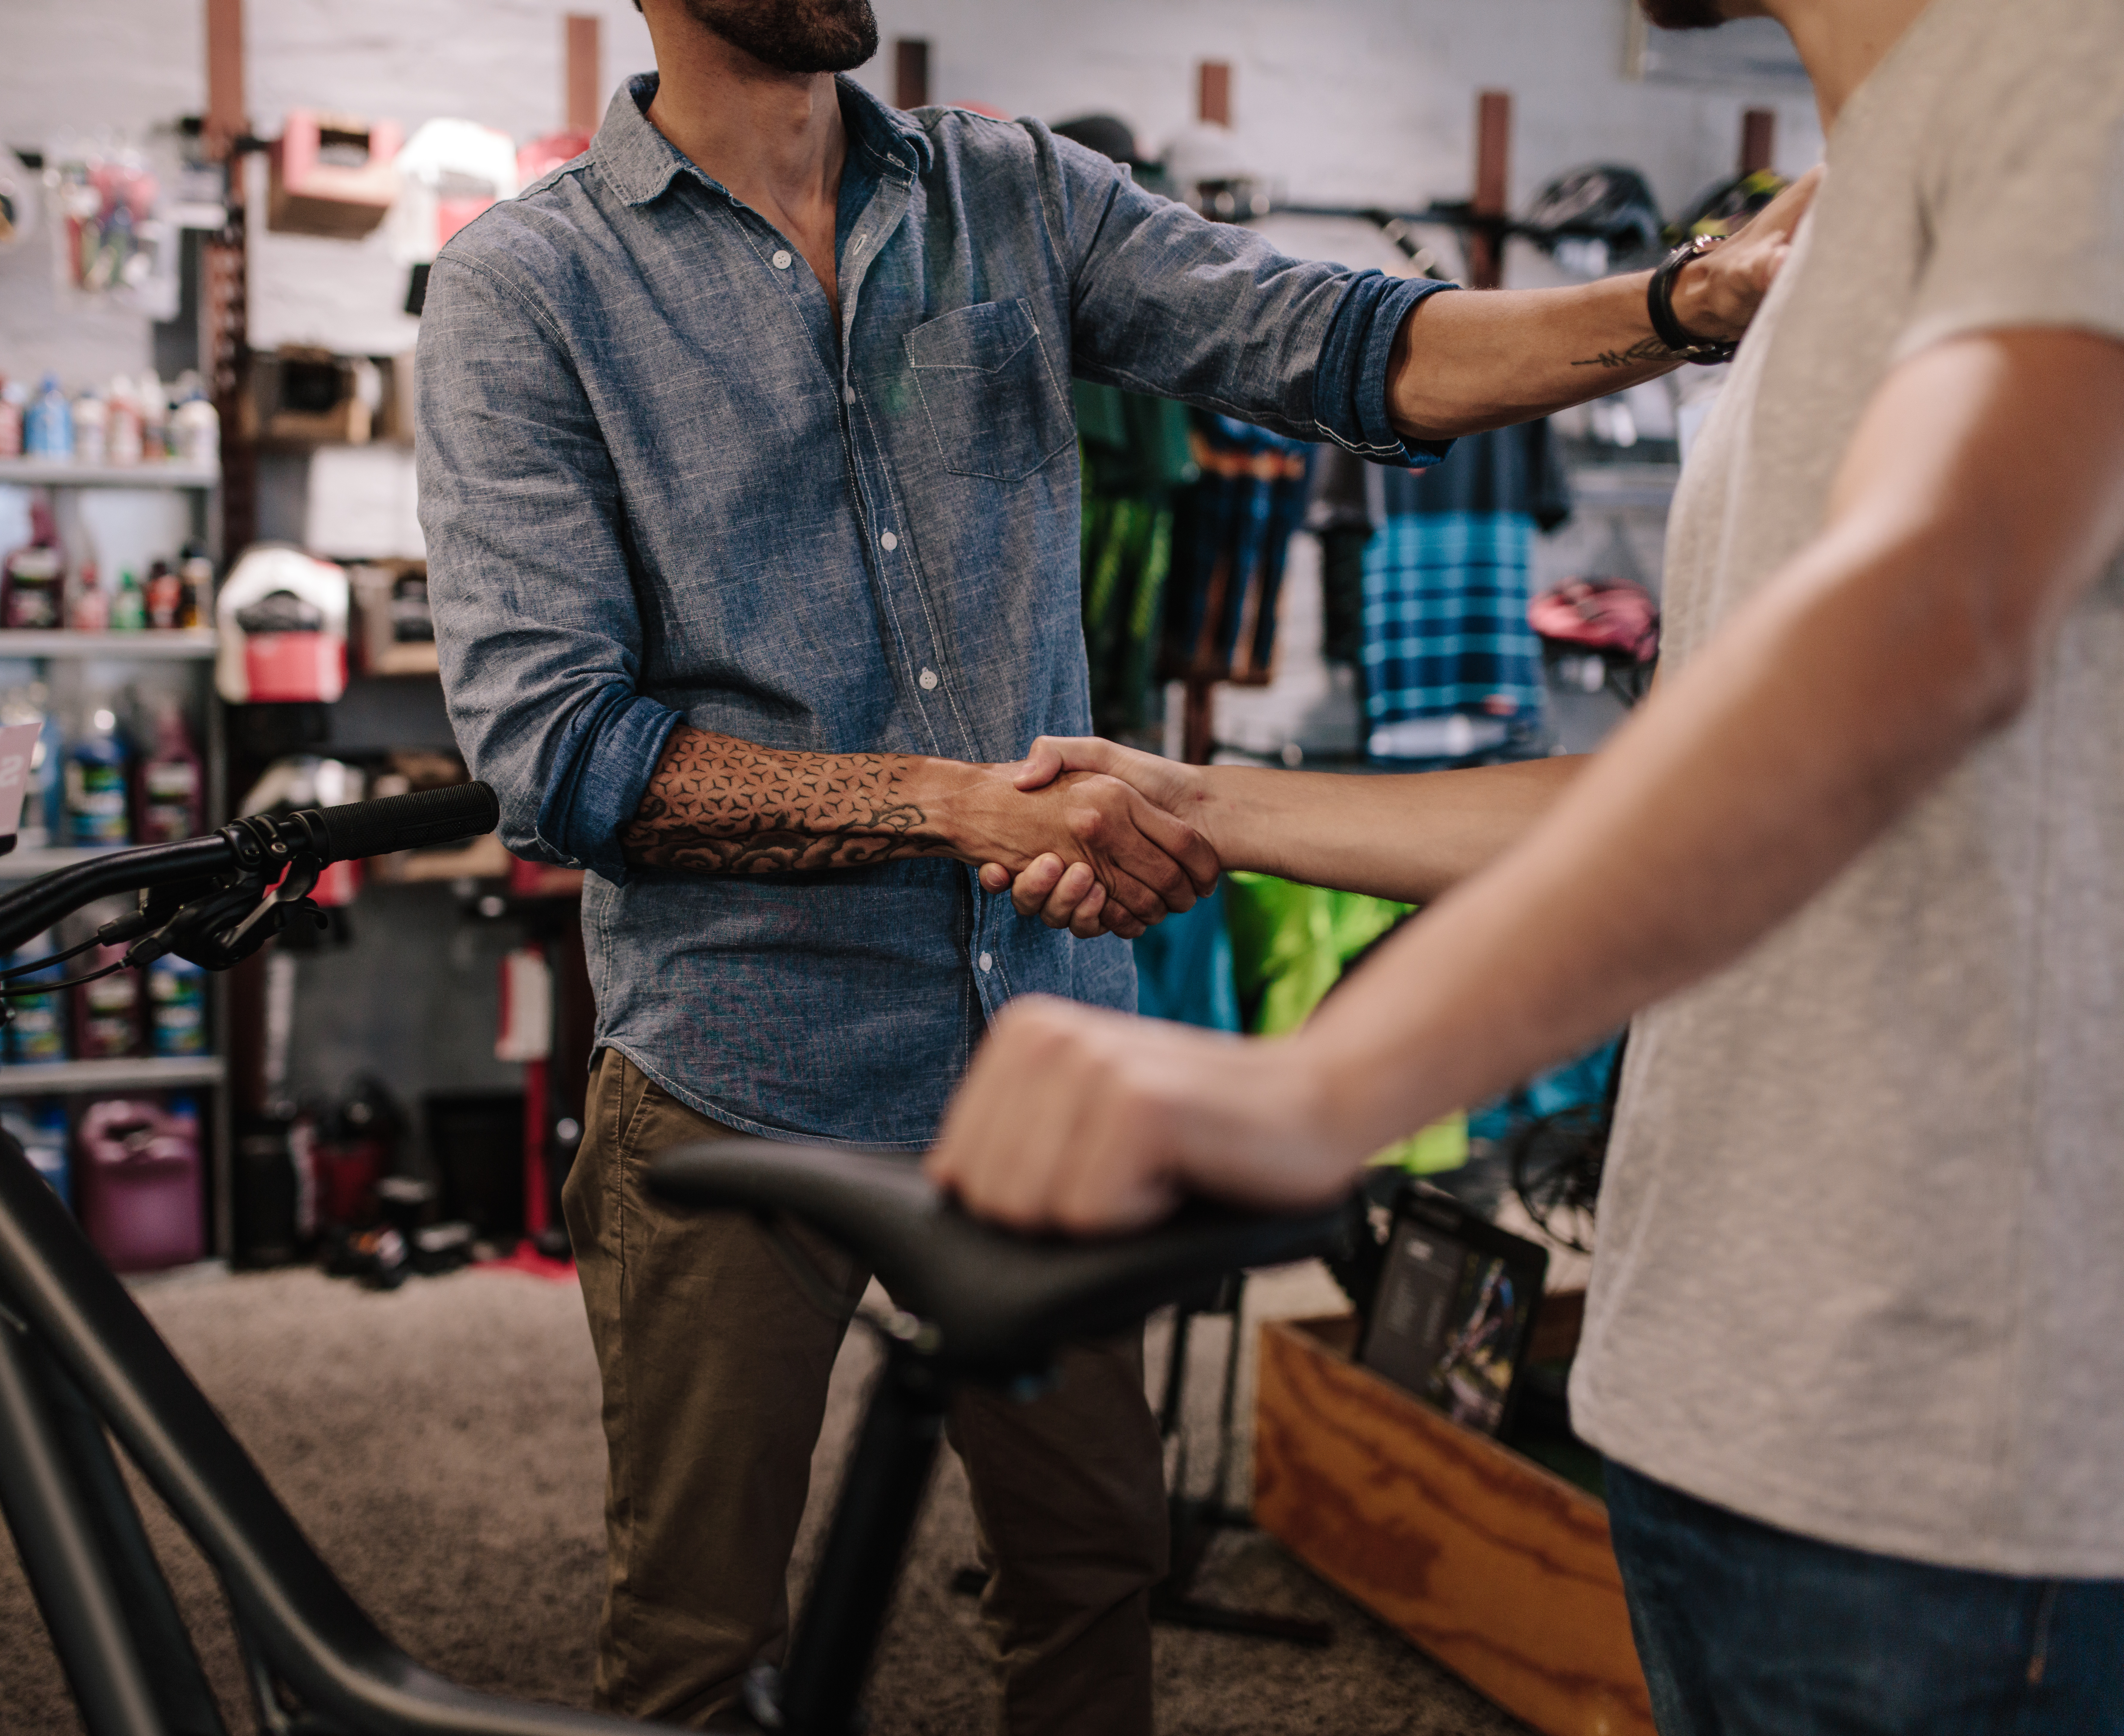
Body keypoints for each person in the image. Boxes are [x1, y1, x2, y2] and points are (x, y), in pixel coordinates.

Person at [418, 0, 1803, 1727]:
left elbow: (1348, 344)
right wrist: (954, 808)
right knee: (699, 1638)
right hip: (735, 1067)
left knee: (1089, 1573)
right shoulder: (529, 287)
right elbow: (555, 754)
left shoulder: (1008, 195)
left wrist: (1683, 303)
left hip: (1051, 1052)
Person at [931, 0, 2124, 1726]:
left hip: (1954, 1445)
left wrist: (1318, 1089)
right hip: (1724, 1381)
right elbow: (1678, 780)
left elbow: (1932, 617)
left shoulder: (2071, 56)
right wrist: (1208, 802)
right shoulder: (1840, 210)